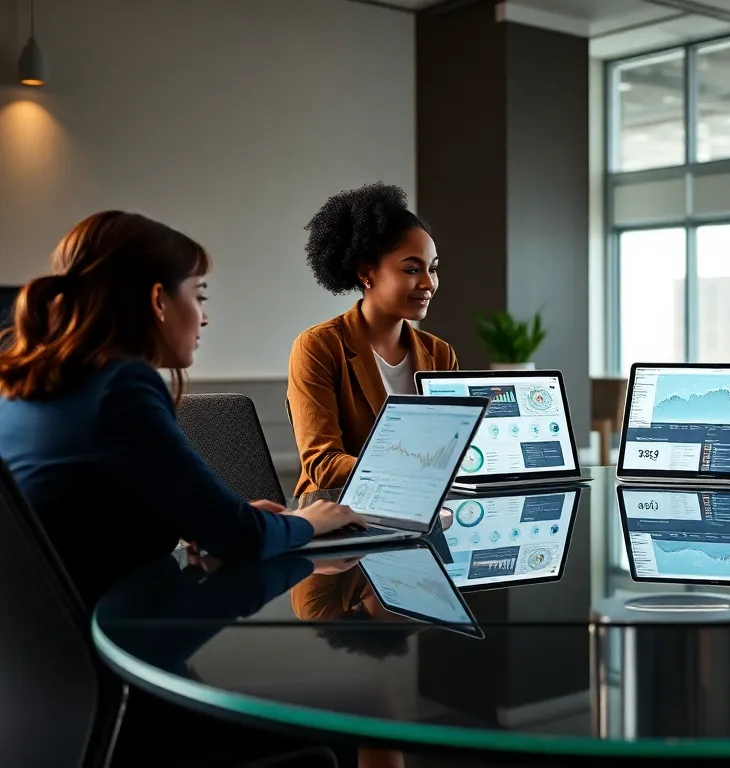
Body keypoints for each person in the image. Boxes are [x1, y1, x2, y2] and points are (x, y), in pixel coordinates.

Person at [0, 212, 365, 607]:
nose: (204, 318)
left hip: (41, 644)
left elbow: (91, 511)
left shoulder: (29, 383)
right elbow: (244, 539)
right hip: (103, 645)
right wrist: (304, 523)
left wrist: (213, 518)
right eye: (199, 295)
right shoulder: (121, 386)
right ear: (159, 299)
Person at [288, 182, 457, 496]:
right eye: (411, 269)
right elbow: (323, 465)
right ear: (367, 274)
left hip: (420, 505)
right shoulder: (319, 347)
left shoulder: (440, 354)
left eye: (433, 269)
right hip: (337, 509)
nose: (428, 283)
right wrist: (412, 469)